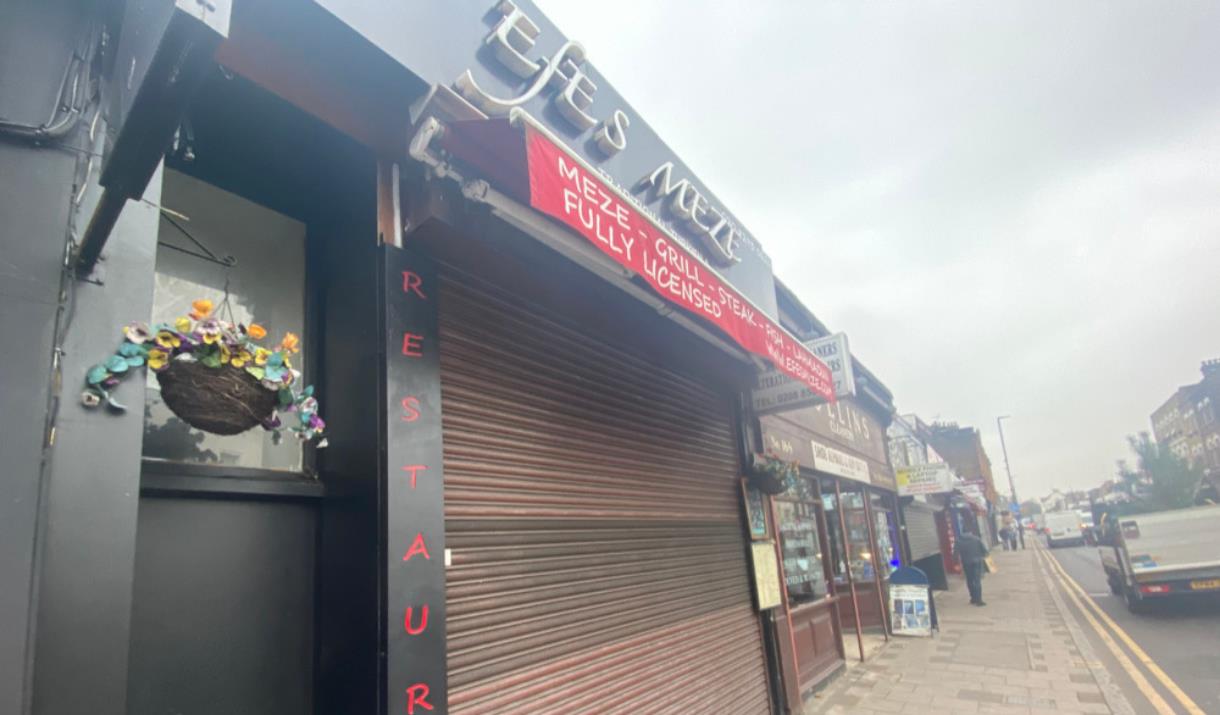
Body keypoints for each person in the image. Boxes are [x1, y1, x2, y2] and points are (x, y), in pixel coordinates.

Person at [953, 531, 989, 606]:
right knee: (977, 581)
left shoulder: (958, 541)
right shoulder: (976, 539)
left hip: (966, 563)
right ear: (971, 533)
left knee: (969, 580)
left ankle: (973, 598)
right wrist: (982, 557)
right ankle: (979, 601)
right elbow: (985, 551)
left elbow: (955, 554)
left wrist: (956, 564)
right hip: (977, 562)